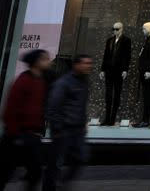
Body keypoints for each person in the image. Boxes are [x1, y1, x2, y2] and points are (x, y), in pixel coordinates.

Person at [0, 49, 50, 191]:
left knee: (35, 172)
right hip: (18, 135)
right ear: (36, 62)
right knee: (5, 172)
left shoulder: (40, 81)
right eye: (44, 59)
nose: (48, 62)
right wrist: (14, 133)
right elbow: (10, 109)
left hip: (32, 135)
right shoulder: (23, 81)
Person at [43, 54, 93, 191]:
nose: (88, 66)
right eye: (85, 63)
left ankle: (62, 184)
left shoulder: (84, 82)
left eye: (89, 64)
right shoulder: (64, 83)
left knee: (81, 158)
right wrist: (57, 128)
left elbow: (81, 105)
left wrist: (83, 122)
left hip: (77, 129)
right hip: (64, 129)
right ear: (76, 65)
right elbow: (53, 106)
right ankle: (50, 187)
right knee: (55, 163)